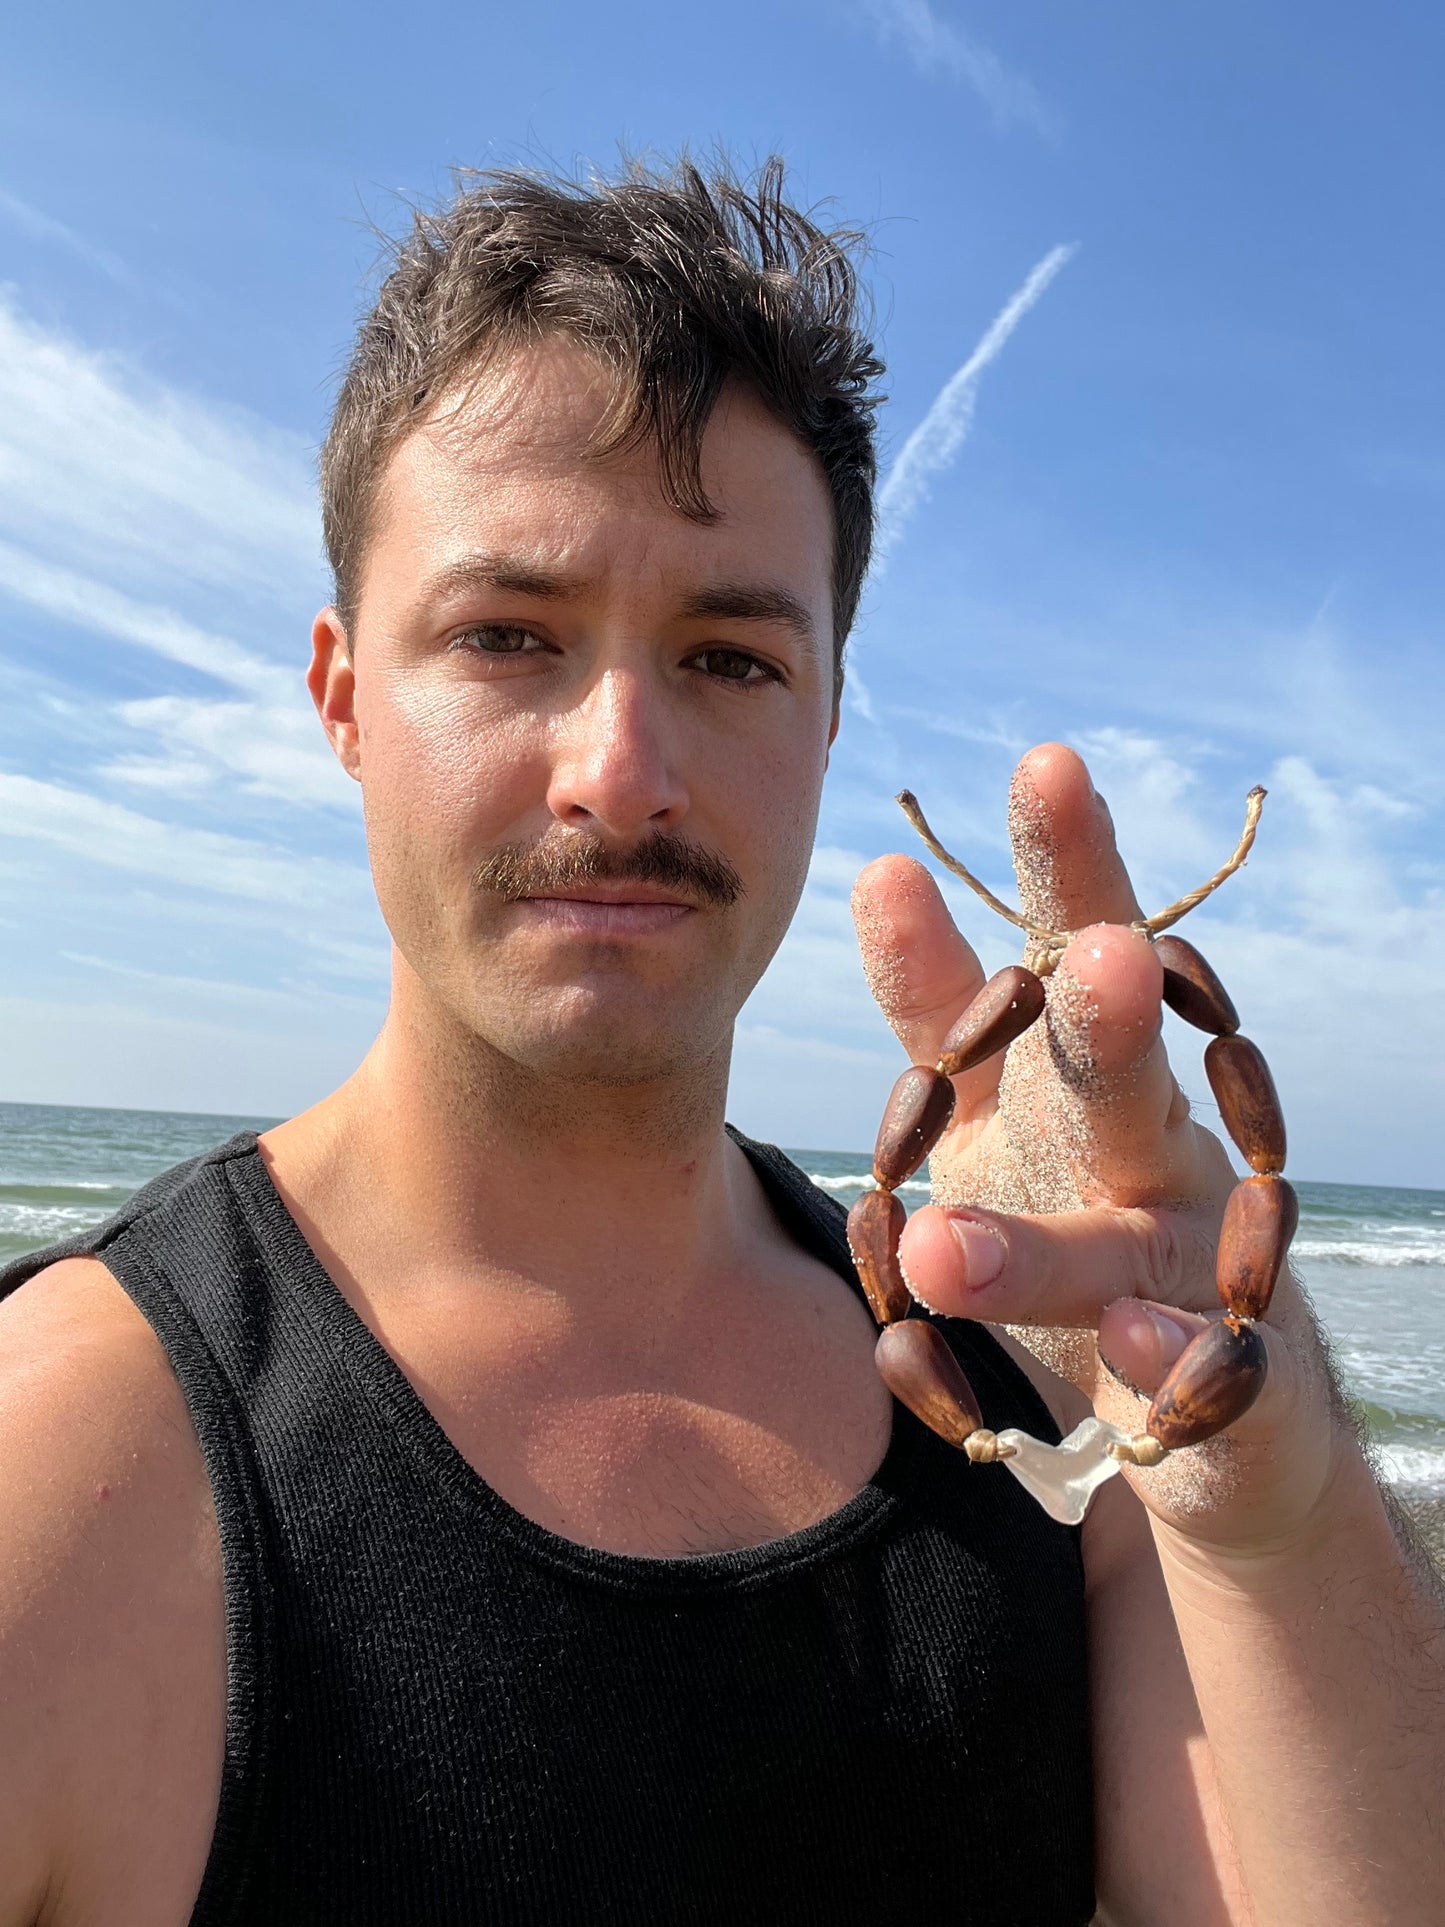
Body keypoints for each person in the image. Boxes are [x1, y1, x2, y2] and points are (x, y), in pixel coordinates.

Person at [0, 157, 1440, 1927]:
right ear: (346, 696)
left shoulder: (1022, 1401)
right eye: (507, 636)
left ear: (827, 711)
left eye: (730, 658)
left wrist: (1268, 1483)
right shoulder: (68, 1467)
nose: (620, 767)